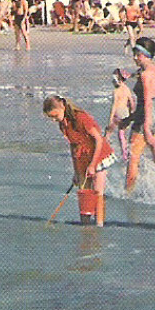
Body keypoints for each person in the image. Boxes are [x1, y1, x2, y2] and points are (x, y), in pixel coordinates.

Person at [43, 95, 115, 227]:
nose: (54, 120)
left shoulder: (81, 118)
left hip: (99, 155)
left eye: (55, 116)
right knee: (83, 192)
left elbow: (99, 139)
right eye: (51, 118)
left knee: (97, 193)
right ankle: (85, 226)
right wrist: (76, 172)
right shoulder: (63, 125)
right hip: (83, 157)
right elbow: (73, 146)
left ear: (62, 107)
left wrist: (93, 165)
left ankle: (99, 225)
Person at [122, 37, 155, 192]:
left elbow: (147, 101)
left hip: (146, 119)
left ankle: (128, 192)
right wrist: (129, 119)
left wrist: (146, 127)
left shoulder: (146, 75)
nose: (135, 58)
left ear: (146, 55)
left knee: (133, 160)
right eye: (134, 54)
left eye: (138, 55)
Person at [106, 68, 136, 163]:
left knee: (108, 133)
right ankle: (125, 154)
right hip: (126, 114)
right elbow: (131, 102)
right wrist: (132, 113)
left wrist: (110, 119)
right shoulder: (127, 89)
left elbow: (114, 106)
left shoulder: (116, 91)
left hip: (117, 114)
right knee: (121, 134)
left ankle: (103, 151)